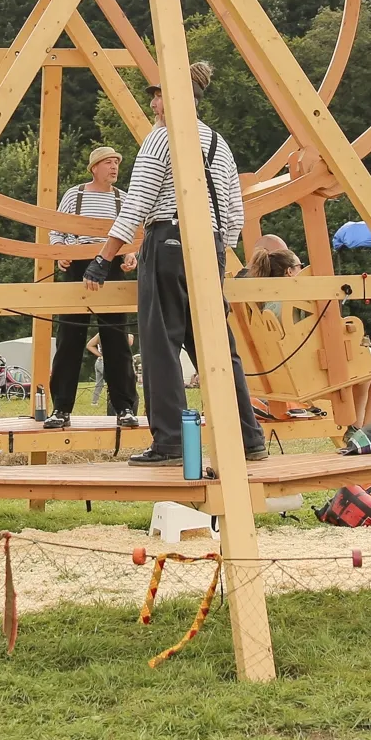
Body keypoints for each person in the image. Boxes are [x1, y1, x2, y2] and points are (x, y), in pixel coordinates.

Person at [82, 60, 268, 467]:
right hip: (212, 245)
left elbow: (137, 203)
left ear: (175, 99)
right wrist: (219, 249)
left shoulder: (162, 139)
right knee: (217, 347)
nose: (153, 101)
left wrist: (103, 256)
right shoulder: (217, 143)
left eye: (158, 93)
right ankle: (248, 436)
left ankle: (169, 441)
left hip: (168, 241)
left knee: (160, 345)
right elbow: (235, 210)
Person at [46, 146, 141, 430]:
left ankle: (124, 407)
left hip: (110, 265)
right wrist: (60, 249)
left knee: (116, 340)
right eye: (108, 162)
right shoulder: (74, 196)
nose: (114, 167)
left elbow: (132, 234)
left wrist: (130, 254)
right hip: (77, 264)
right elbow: (56, 230)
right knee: (69, 339)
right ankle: (61, 409)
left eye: (116, 163)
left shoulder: (122, 198)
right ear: (94, 167)